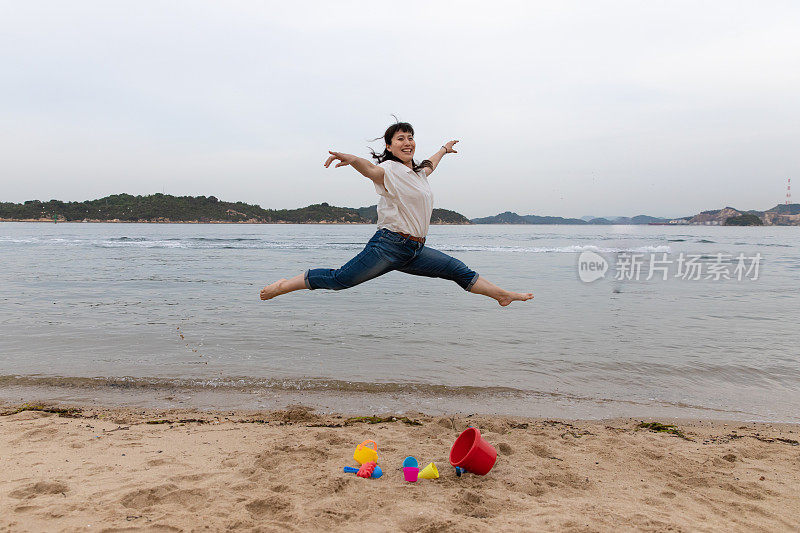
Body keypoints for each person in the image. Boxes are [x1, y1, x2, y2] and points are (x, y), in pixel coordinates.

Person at [259, 121, 533, 306]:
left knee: (457, 270)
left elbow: (430, 165)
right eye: (400, 138)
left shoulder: (417, 173)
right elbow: (371, 169)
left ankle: (501, 296)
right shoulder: (389, 169)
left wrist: (444, 150)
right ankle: (284, 285)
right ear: (389, 147)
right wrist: (353, 159)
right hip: (389, 246)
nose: (408, 142)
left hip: (414, 250)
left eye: (410, 137)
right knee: (340, 279)